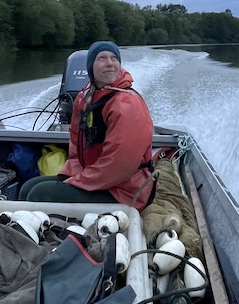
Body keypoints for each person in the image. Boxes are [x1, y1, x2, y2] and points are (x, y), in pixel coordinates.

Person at [19, 41, 154, 210]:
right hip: (97, 180)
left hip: (125, 191)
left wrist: (79, 181)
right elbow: (76, 146)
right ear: (90, 66)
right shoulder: (85, 97)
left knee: (39, 194)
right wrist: (72, 175)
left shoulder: (127, 104)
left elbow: (119, 166)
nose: (110, 63)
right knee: (28, 188)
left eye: (114, 58)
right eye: (102, 58)